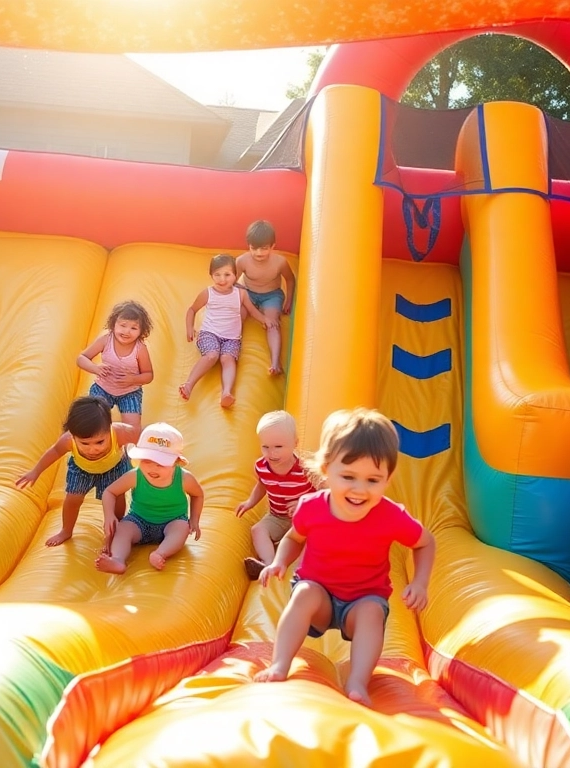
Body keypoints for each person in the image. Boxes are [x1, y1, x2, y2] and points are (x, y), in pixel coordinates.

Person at [255, 408, 436, 706]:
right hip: (320, 597)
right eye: (348, 476)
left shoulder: (390, 516)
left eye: (372, 480)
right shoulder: (312, 507)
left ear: (388, 478)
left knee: (371, 614)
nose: (359, 490)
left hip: (363, 599)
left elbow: (425, 543)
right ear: (326, 469)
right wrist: (279, 562)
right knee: (304, 593)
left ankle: (358, 682)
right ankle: (279, 664)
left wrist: (420, 581)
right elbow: (293, 537)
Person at [15, 396, 138, 546]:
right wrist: (36, 471)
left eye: (100, 442)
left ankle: (117, 526)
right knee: (73, 499)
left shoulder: (121, 433)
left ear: (110, 428)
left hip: (114, 467)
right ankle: (66, 530)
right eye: (84, 443)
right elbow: (54, 452)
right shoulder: (68, 440)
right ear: (73, 436)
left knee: (116, 498)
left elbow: (144, 437)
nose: (93, 449)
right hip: (82, 470)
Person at [94, 422, 204, 573]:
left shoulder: (184, 478)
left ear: (176, 462)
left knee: (182, 528)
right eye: (146, 461)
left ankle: (160, 553)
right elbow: (109, 492)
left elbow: (197, 494)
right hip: (139, 520)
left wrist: (194, 520)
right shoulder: (135, 475)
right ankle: (117, 560)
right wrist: (109, 515)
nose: (152, 468)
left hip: (172, 521)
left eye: (160, 464)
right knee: (123, 529)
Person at [179, 254, 273, 408]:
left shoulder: (240, 294)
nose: (222, 279)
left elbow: (252, 310)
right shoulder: (208, 293)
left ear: (236, 275)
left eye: (227, 275)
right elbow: (192, 309)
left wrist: (265, 319)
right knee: (212, 355)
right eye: (217, 275)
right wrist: (190, 327)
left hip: (231, 338)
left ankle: (226, 393)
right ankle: (189, 385)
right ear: (211, 276)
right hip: (210, 333)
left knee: (227, 359)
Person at [236, 410, 320, 580]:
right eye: (265, 447)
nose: (271, 453)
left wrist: (304, 503)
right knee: (258, 529)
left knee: (312, 537)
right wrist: (250, 502)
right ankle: (268, 564)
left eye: (278, 447)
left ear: (295, 443)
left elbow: (325, 494)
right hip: (277, 516)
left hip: (304, 518)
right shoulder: (261, 466)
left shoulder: (306, 469)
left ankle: (303, 570)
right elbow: (262, 485)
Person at [76, 300, 154, 432]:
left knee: (132, 430)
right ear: (113, 324)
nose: (127, 331)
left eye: (133, 328)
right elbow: (81, 358)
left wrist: (133, 379)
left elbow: (149, 375)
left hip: (130, 392)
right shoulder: (106, 340)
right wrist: (96, 368)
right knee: (92, 419)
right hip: (102, 388)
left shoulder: (140, 349)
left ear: (141, 331)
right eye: (123, 325)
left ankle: (128, 451)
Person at [235, 220, 296, 376]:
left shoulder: (280, 262)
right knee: (238, 315)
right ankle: (230, 350)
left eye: (264, 248)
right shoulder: (242, 261)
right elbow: (232, 282)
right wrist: (240, 292)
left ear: (273, 246)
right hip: (248, 291)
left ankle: (275, 363)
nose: (259, 253)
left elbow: (290, 279)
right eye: (254, 248)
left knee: (273, 323)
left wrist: (289, 300)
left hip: (271, 295)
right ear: (248, 246)